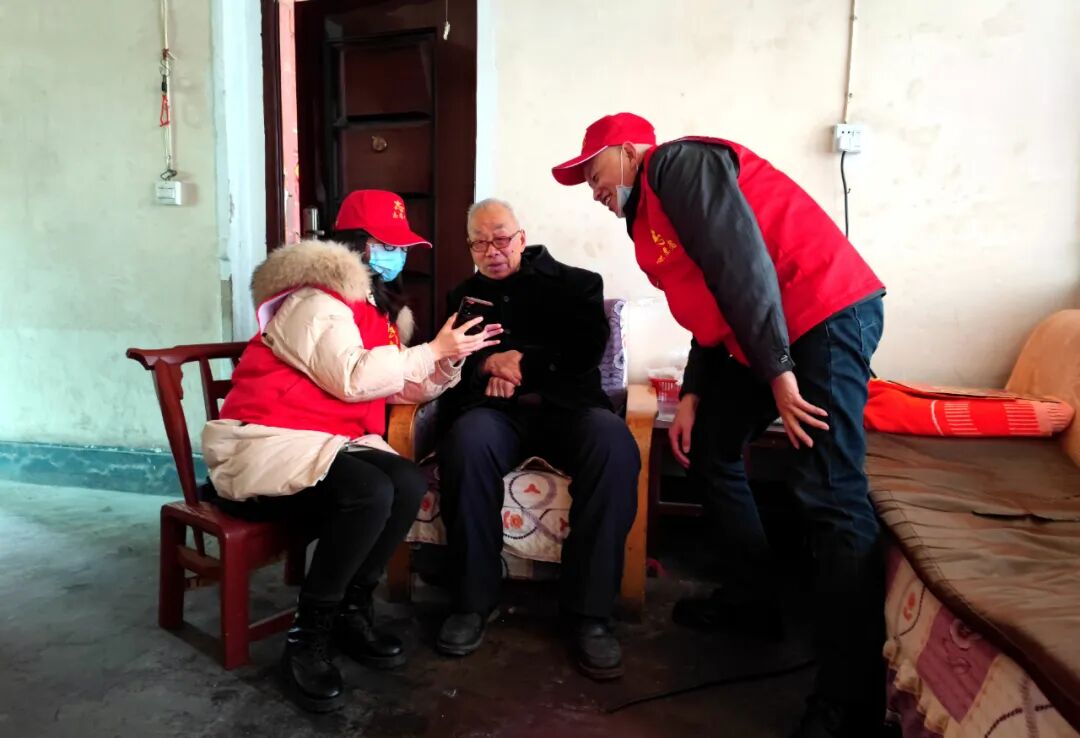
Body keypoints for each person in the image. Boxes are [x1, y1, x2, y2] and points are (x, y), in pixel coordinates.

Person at [552, 114, 887, 737]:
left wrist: (779, 372)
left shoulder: (677, 165)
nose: (592, 190)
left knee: (831, 493)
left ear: (628, 151)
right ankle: (753, 601)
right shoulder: (646, 220)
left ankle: (851, 700)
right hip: (765, 336)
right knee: (709, 447)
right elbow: (709, 301)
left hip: (822, 315)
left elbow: (742, 264)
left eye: (593, 172)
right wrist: (696, 393)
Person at [201, 190, 501, 713]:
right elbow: (352, 378)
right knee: (370, 490)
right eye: (389, 245)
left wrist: (448, 361)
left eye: (403, 247)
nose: (398, 256)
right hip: (267, 440)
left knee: (405, 481)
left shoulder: (377, 313)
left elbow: (396, 385)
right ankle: (307, 636)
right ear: (357, 245)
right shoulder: (314, 301)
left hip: (326, 440)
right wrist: (431, 349)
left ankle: (351, 611)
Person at [434, 198, 640, 681]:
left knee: (614, 444)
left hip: (570, 409)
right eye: (480, 243)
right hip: (498, 414)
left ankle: (589, 614)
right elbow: (449, 366)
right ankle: (471, 602)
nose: (492, 251)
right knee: (467, 440)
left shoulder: (577, 284)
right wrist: (487, 364)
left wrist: (521, 364)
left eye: (501, 239)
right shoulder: (463, 298)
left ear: (522, 238)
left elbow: (584, 352)